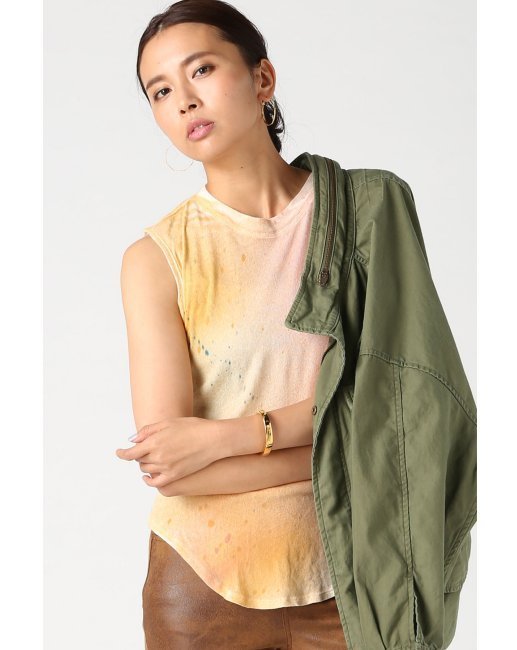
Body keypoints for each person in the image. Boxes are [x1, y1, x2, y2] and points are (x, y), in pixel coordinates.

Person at [117, 1, 350, 648]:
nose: (185, 101)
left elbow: (401, 407)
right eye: (161, 91)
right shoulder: (156, 259)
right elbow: (176, 469)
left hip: (355, 575)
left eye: (201, 70)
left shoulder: (361, 219)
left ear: (261, 78)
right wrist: (338, 448)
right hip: (202, 586)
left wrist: (230, 438)